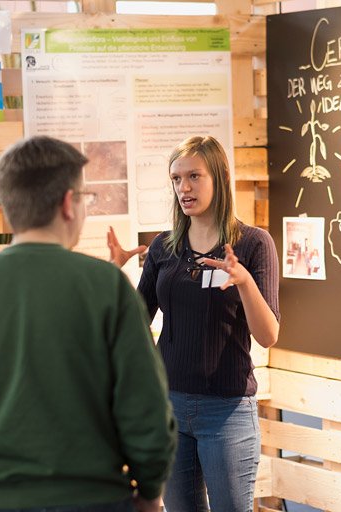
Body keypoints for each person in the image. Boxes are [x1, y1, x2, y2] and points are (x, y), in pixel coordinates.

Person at [0, 135, 176, 512]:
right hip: (91, 497)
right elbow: (146, 411)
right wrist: (150, 493)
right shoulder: (106, 286)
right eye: (85, 198)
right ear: (68, 204)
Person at [107, 135, 280, 512]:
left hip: (227, 412)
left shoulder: (252, 244)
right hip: (168, 407)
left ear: (218, 177)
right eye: (176, 179)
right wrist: (113, 276)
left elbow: (268, 335)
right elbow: (134, 327)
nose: (184, 188)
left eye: (194, 177)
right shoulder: (164, 248)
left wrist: (245, 281)